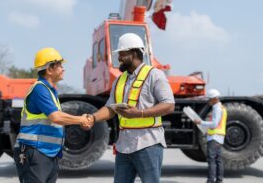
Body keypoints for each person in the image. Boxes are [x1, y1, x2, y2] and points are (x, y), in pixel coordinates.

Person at [86, 33, 175, 183]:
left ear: (133, 54)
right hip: (124, 146)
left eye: (121, 54)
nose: (118, 58)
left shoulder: (155, 75)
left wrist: (139, 113)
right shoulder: (119, 80)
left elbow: (169, 105)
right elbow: (110, 108)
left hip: (148, 144)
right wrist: (93, 118)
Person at [13, 47, 93, 183]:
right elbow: (56, 117)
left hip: (48, 152)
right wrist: (80, 119)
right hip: (35, 151)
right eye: (60, 65)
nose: (63, 68)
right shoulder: (40, 89)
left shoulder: (50, 91)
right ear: (49, 70)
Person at [194, 89, 227, 183]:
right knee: (219, 160)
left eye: (209, 99)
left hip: (214, 138)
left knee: (211, 160)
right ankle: (219, 180)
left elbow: (214, 124)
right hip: (220, 138)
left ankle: (210, 180)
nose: (208, 101)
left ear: (214, 98)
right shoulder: (222, 107)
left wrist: (200, 122)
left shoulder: (216, 108)